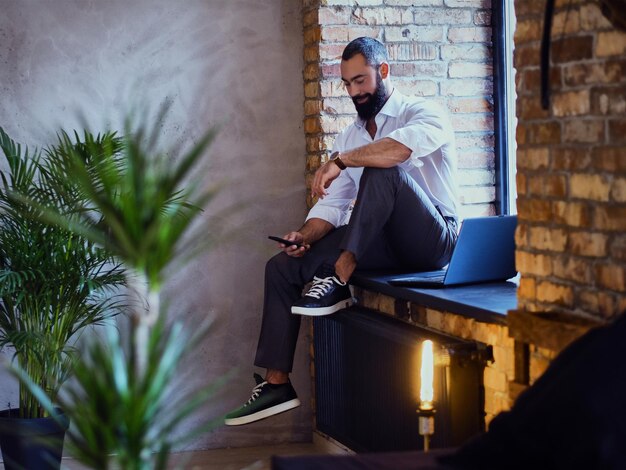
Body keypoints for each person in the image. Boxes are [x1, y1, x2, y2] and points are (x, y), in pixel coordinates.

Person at [224, 37, 459, 426]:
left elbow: (397, 152)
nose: (354, 92)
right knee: (281, 266)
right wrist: (304, 236)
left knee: (385, 171)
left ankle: (338, 275)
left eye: (361, 81)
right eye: (347, 84)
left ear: (383, 72)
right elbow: (334, 205)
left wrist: (341, 161)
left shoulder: (424, 112)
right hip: (381, 242)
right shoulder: (352, 135)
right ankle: (277, 384)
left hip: (435, 241)